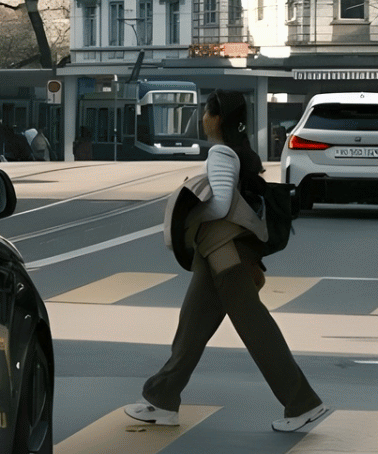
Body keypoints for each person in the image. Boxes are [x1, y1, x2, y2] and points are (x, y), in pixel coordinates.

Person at [126, 90, 331, 435]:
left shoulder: (222, 152)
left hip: (224, 253)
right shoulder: (241, 153)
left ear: (217, 118)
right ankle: (162, 399)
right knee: (191, 327)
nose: (203, 118)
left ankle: (302, 402)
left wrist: (190, 217)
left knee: (256, 329)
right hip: (219, 254)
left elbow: (220, 205)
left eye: (207, 112)